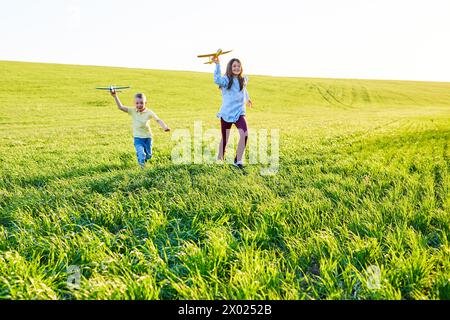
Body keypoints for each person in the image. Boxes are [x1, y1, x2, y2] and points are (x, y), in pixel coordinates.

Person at [111, 90, 170, 168]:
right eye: (137, 103)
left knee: (148, 155)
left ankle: (144, 158)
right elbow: (120, 107)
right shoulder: (132, 111)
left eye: (141, 103)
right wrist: (115, 96)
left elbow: (158, 120)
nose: (139, 105)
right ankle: (142, 167)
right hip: (138, 138)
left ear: (145, 103)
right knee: (141, 154)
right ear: (134, 103)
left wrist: (165, 127)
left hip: (148, 137)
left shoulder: (149, 112)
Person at [212, 56, 253, 169]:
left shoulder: (242, 80)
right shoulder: (226, 80)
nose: (237, 68)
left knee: (245, 134)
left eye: (239, 66)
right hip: (226, 113)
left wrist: (247, 99)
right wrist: (217, 64)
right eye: (234, 66)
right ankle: (220, 158)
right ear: (230, 67)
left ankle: (238, 160)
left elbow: (244, 90)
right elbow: (216, 79)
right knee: (225, 137)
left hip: (239, 112)